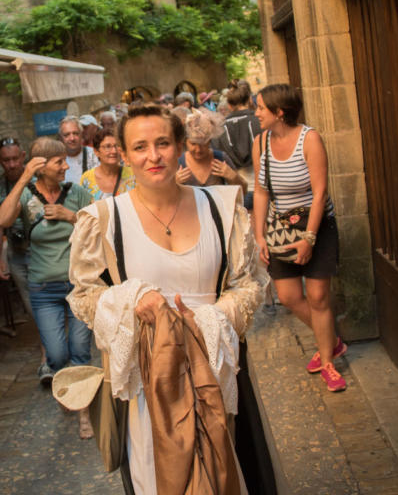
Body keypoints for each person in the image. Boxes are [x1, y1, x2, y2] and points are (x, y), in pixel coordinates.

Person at [67, 104, 267, 493]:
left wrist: (209, 319)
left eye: (162, 143)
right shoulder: (103, 219)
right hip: (148, 388)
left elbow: (249, 284)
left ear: (180, 146)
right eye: (139, 147)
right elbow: (86, 295)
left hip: (215, 372)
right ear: (123, 155)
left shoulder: (221, 209)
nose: (152, 156)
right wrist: (131, 300)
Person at [0, 137, 94, 435]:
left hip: (79, 286)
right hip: (43, 289)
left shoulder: (76, 193)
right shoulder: (26, 197)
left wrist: (70, 215)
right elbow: (2, 219)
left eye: (65, 160)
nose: (66, 166)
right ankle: (67, 384)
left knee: (80, 349)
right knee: (55, 355)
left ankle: (83, 414)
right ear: (40, 167)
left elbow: (99, 226)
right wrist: (24, 176)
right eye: (59, 162)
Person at [252, 83, 346, 392]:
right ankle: (331, 341)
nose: (256, 113)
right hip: (280, 228)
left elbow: (320, 193)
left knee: (318, 297)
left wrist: (309, 238)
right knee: (290, 296)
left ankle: (328, 362)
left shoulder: (311, 139)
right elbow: (262, 191)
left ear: (279, 112)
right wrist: (260, 236)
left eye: (261, 108)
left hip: (316, 225)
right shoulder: (260, 142)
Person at [0, 137, 33, 317]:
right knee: (29, 301)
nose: (12, 164)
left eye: (15, 158)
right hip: (17, 254)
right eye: (6, 160)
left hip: (43, 253)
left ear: (23, 156)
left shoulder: (39, 179)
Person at [176, 108, 248, 195]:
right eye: (193, 144)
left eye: (203, 144)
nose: (198, 150)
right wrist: (174, 183)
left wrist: (234, 177)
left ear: (210, 141)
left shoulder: (220, 158)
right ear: (185, 142)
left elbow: (243, 192)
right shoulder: (178, 163)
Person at [214, 79, 262, 209]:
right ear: (249, 100)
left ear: (229, 105)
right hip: (263, 187)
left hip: (237, 190)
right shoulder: (260, 121)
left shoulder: (220, 128)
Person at [80, 129, 135, 200]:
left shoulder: (133, 175)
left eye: (116, 146)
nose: (114, 151)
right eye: (108, 147)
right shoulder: (87, 179)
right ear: (96, 151)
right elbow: (82, 209)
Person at [58, 116, 99, 184]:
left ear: (81, 135)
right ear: (61, 138)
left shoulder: (94, 155)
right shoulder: (56, 160)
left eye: (75, 133)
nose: (72, 138)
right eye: (67, 135)